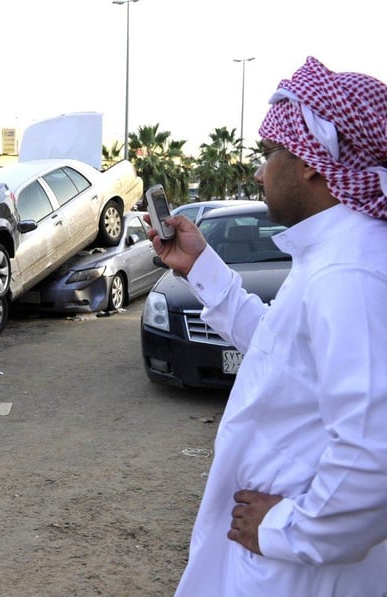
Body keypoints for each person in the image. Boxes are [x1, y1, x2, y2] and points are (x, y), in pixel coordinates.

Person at [150, 56, 387, 595]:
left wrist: (286, 529)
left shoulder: (348, 270)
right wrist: (200, 267)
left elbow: (376, 453)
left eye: (269, 153)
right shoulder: (333, 255)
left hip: (297, 572)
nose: (259, 171)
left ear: (310, 160)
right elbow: (281, 355)